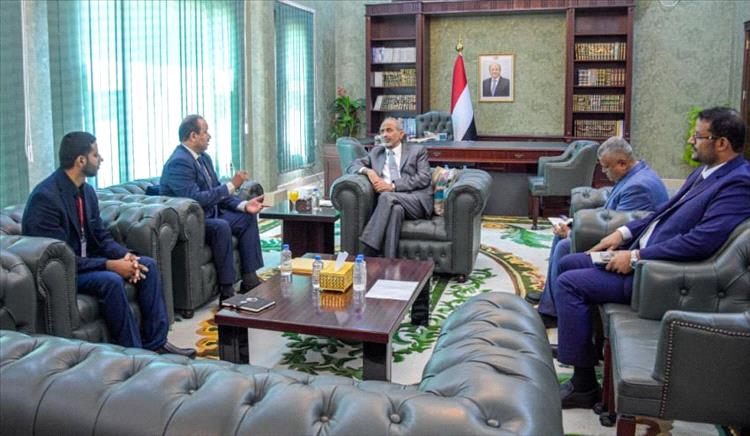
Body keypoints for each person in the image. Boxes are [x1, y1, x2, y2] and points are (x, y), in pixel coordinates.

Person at [553, 107, 750, 409]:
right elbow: (662, 212)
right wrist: (621, 234)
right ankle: (585, 347)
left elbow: (701, 242)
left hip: (658, 274)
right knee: (568, 261)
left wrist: (635, 256)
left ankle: (583, 385)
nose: (690, 140)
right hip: (642, 256)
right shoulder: (706, 172)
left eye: (698, 136)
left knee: (570, 284)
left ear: (722, 143)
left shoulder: (738, 183)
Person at [22, 131, 196, 358]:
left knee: (148, 266)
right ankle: (135, 355)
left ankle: (156, 343)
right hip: (65, 273)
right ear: (81, 160)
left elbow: (101, 236)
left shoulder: (86, 191)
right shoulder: (46, 198)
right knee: (111, 281)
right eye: (96, 155)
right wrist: (110, 265)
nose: (101, 159)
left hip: (89, 261)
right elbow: (61, 260)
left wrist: (126, 257)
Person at [533, 137, 669, 325]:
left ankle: (553, 311)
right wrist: (574, 224)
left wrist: (572, 234)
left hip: (629, 251)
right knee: (562, 236)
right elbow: (610, 212)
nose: (604, 172)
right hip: (620, 237)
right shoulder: (634, 174)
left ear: (622, 163)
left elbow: (618, 231)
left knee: (565, 245)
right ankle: (550, 299)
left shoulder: (639, 187)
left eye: (606, 167)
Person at [160, 115, 265, 301]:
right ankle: (227, 291)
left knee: (246, 218)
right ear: (193, 136)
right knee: (221, 227)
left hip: (210, 214)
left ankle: (250, 279)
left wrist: (243, 205)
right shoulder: (179, 162)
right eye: (205, 132)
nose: (209, 136)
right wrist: (232, 185)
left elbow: (218, 193)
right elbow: (195, 199)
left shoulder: (203, 159)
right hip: (189, 223)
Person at [347, 117, 433, 259]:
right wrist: (369, 171)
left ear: (401, 134)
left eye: (389, 130)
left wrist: (393, 187)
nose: (385, 135)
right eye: (382, 131)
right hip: (392, 204)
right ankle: (389, 261)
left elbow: (424, 178)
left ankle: (366, 251)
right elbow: (352, 166)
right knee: (396, 210)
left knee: (386, 196)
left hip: (415, 201)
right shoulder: (376, 152)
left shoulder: (417, 151)